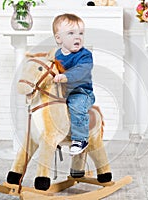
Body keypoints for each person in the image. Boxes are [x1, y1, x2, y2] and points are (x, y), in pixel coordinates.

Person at [52, 13, 95, 156]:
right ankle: (55, 134)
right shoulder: (56, 55)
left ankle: (80, 139)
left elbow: (81, 71)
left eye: (81, 33)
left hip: (82, 92)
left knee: (76, 106)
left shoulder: (85, 55)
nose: (78, 37)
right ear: (59, 38)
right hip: (62, 93)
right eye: (71, 33)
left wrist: (65, 76)